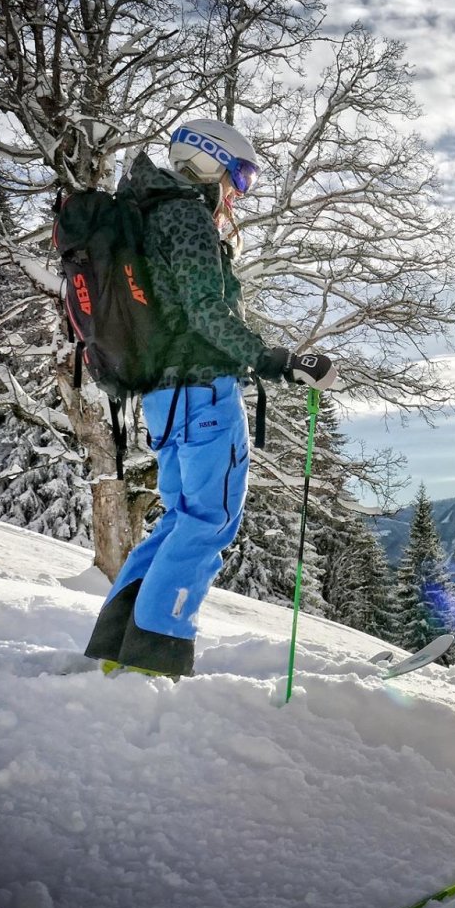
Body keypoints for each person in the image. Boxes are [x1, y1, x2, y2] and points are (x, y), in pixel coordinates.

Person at [84, 119, 336, 680]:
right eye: (239, 175)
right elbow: (207, 313)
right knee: (210, 522)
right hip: (202, 394)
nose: (237, 190)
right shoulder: (184, 215)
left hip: (163, 397)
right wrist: (276, 359)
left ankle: (117, 647)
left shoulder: (145, 211)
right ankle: (156, 655)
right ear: (208, 160)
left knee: (181, 518)